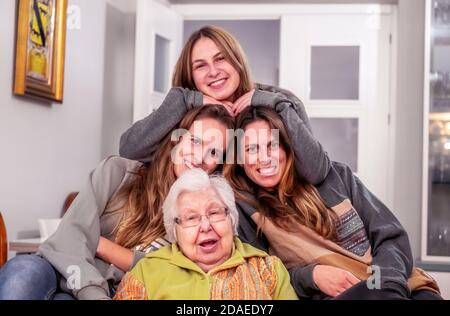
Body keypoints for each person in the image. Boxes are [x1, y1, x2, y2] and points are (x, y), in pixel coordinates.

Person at [0, 104, 234, 300]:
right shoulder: (118, 172)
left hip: (111, 290)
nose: (201, 157)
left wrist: (99, 243)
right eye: (195, 141)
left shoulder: (205, 215)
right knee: (21, 273)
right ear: (177, 140)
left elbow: (165, 269)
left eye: (213, 152)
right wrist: (93, 291)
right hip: (61, 271)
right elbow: (71, 236)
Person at [223, 105, 442, 300]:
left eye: (272, 145)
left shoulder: (336, 176)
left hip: (400, 284)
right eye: (251, 149)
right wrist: (312, 276)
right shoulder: (244, 209)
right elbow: (260, 274)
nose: (264, 158)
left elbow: (390, 236)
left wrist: (387, 285)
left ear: (287, 147)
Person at [119, 25, 330, 187]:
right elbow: (129, 150)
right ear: (190, 75)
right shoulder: (184, 110)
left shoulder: (278, 100)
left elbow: (316, 171)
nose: (213, 71)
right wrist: (184, 100)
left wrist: (274, 103)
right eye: (200, 65)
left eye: (221, 59)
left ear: (237, 61)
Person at [113, 169, 298, 300]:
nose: (205, 226)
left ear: (231, 218)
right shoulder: (146, 272)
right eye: (191, 218)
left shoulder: (268, 269)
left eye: (214, 213)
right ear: (175, 229)